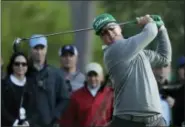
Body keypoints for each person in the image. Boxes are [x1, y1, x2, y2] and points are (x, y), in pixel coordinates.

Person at [92, 13, 172, 127]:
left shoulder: (138, 52)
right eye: (103, 33)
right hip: (128, 121)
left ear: (119, 27)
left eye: (111, 28)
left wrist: (162, 29)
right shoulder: (113, 52)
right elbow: (150, 32)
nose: (109, 33)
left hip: (155, 121)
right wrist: (149, 21)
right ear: (102, 38)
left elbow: (164, 58)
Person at [27, 34, 70, 127]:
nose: (39, 52)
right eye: (36, 48)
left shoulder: (56, 74)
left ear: (46, 50)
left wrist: (55, 115)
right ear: (30, 50)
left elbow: (65, 98)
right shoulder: (25, 73)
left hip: (49, 123)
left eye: (41, 48)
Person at [60, 62, 114, 127]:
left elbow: (116, 118)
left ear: (101, 77)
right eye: (90, 75)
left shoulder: (111, 94)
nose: (92, 78)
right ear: (85, 77)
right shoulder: (76, 96)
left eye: (95, 75)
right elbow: (68, 120)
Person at [1, 52, 32, 126]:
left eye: (24, 64)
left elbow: (35, 108)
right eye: (17, 64)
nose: (20, 66)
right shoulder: (3, 84)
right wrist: (14, 122)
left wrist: (27, 122)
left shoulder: (32, 84)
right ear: (12, 65)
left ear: (27, 66)